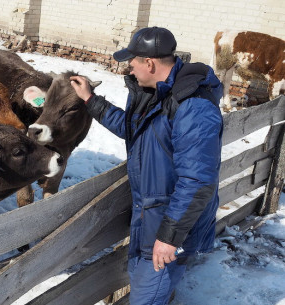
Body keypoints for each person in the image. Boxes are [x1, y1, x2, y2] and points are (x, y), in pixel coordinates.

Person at [70, 27, 223, 304]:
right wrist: (91, 101)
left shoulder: (193, 108)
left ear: (149, 63)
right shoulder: (154, 93)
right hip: (149, 221)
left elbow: (198, 180)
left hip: (166, 230)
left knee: (146, 299)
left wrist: (169, 237)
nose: (129, 66)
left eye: (133, 60)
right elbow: (134, 129)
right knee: (143, 290)